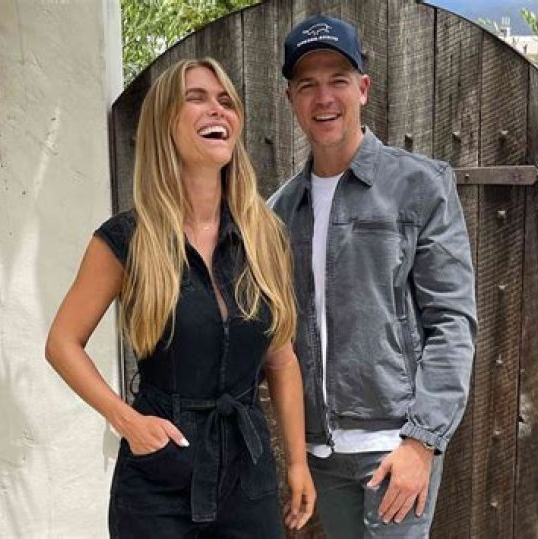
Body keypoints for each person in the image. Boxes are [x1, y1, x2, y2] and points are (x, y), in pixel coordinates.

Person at [45, 57, 315, 538]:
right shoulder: (128, 239)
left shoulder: (265, 236)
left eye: (226, 101)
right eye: (197, 98)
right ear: (165, 123)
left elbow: (282, 360)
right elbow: (62, 342)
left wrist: (297, 463)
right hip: (158, 478)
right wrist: (127, 420)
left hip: (247, 477)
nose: (217, 109)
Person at [269, 15, 477, 538]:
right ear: (291, 99)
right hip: (320, 453)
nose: (324, 98)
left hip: (395, 448)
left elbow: (452, 322)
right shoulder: (279, 210)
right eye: (307, 85)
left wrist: (422, 442)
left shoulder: (420, 186)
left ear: (362, 88)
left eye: (337, 80)